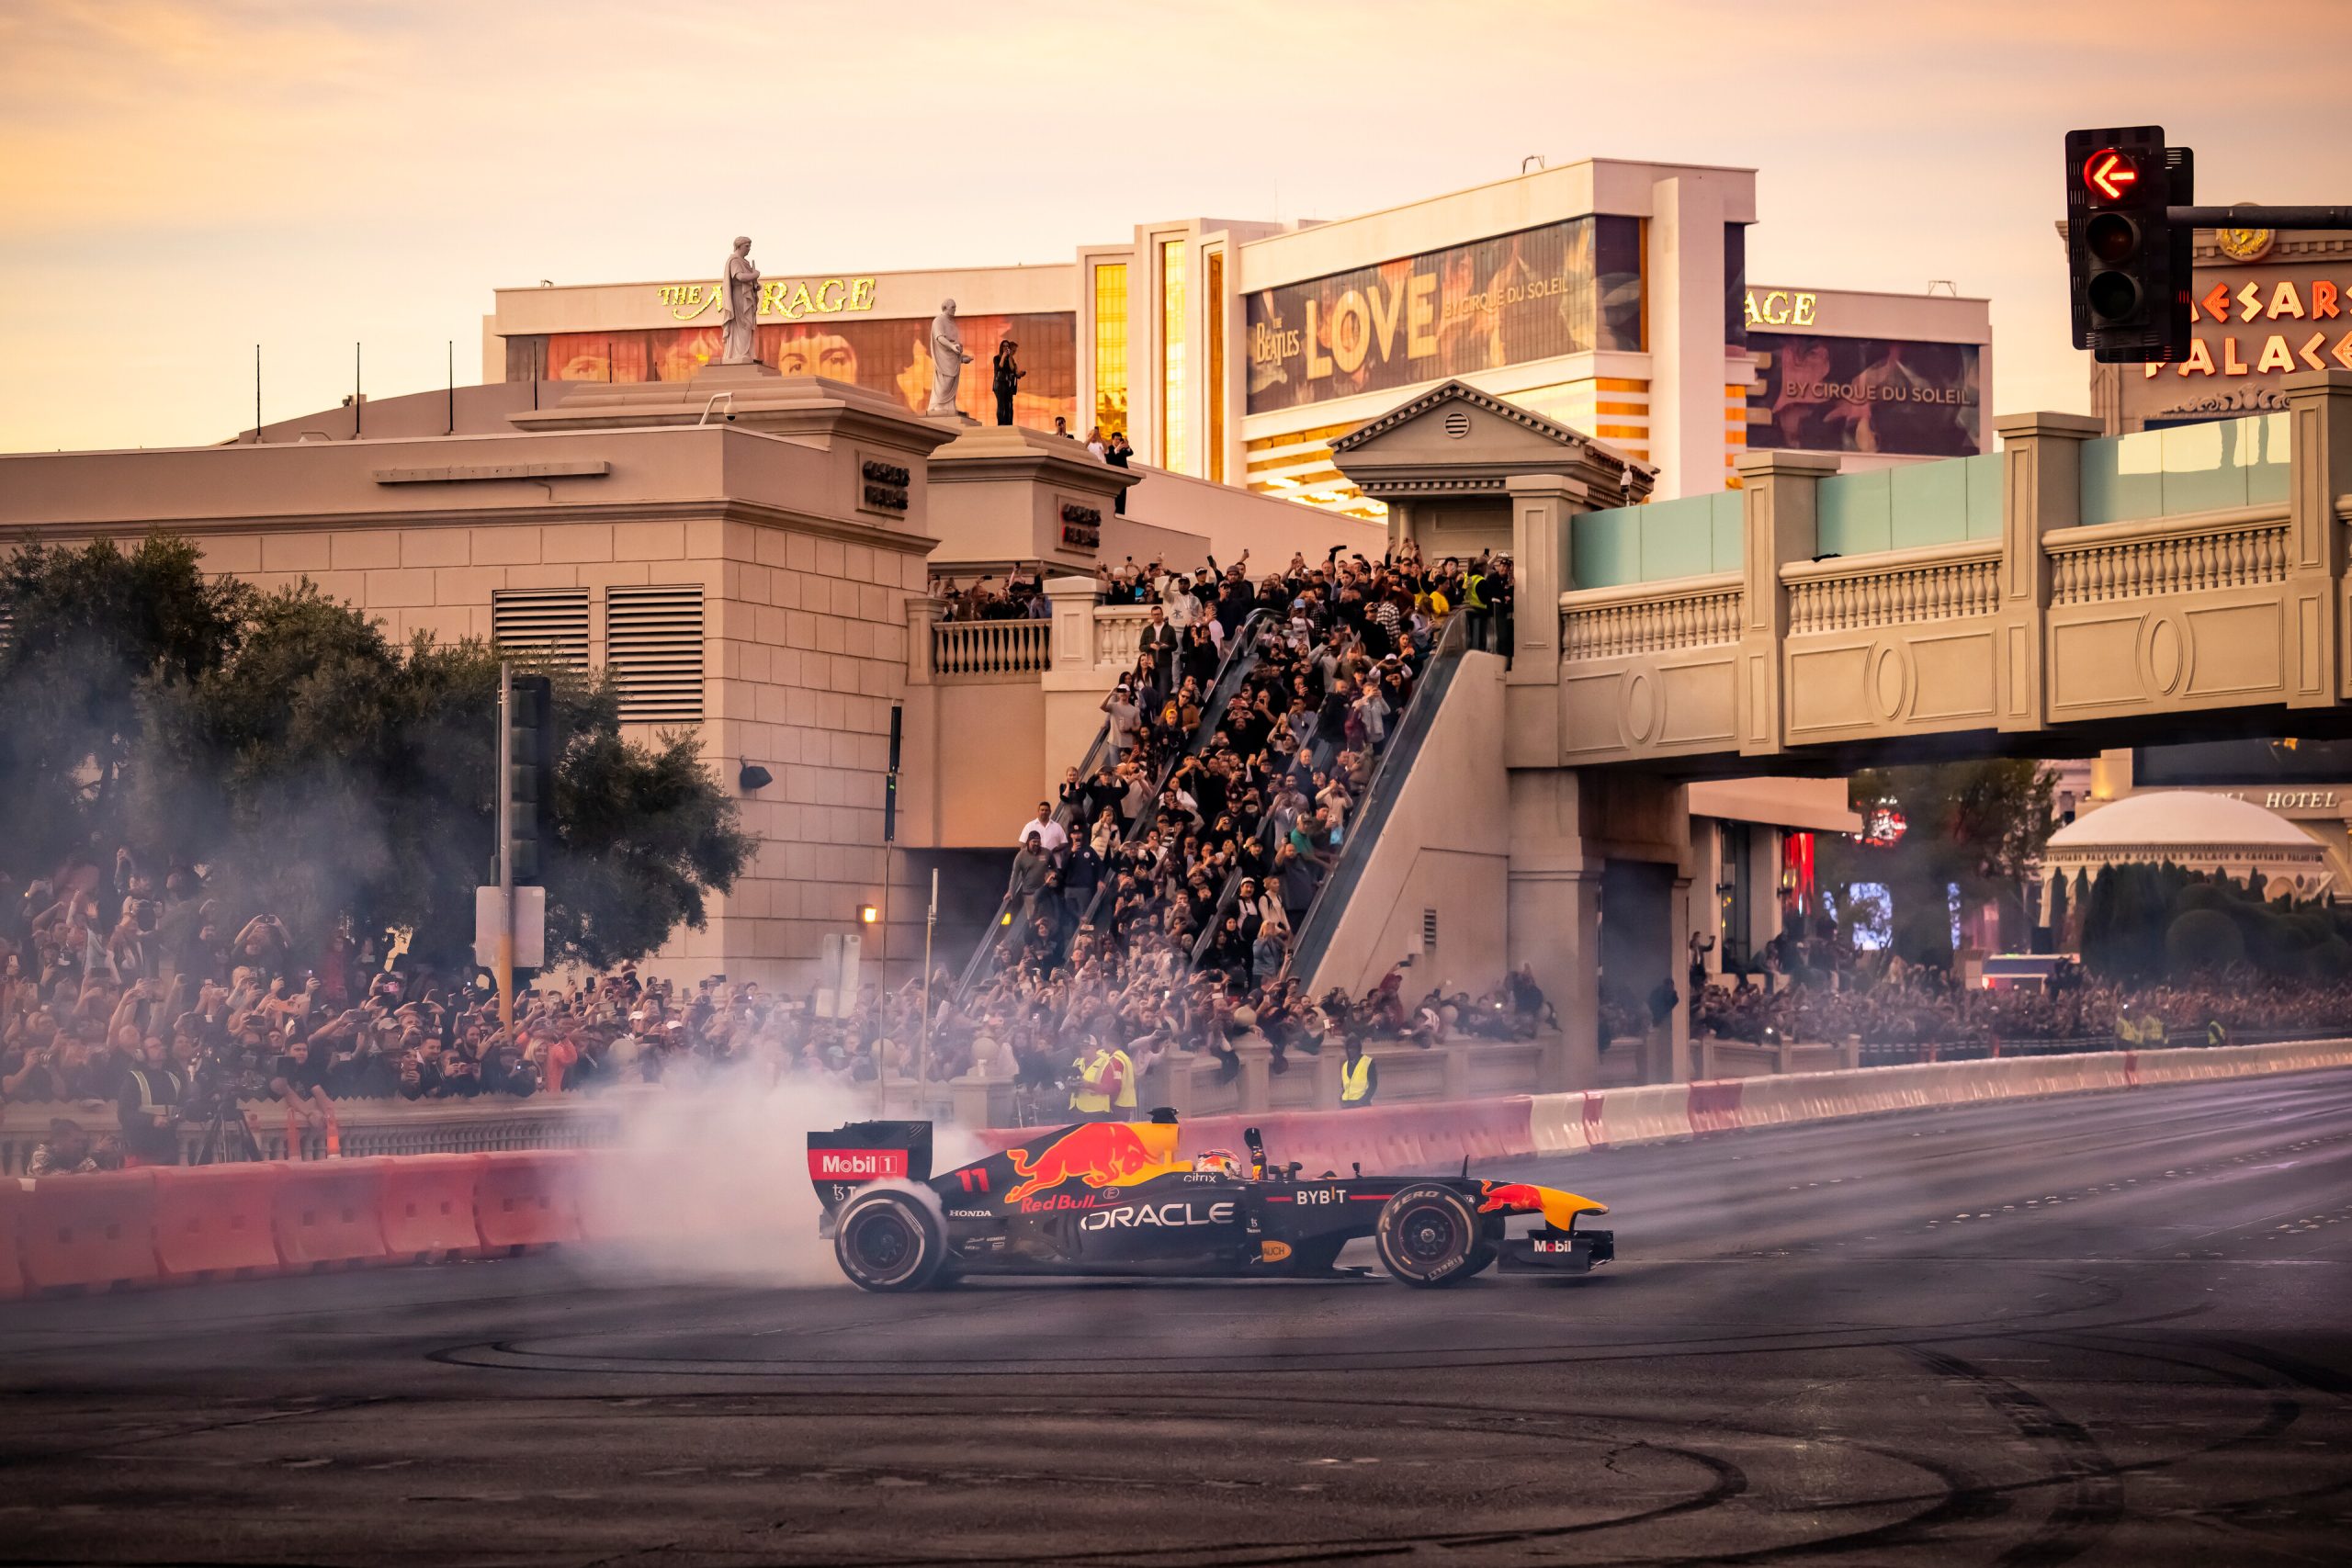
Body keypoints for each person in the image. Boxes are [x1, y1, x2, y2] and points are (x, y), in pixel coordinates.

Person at [118, 1033, 187, 1167]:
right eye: (155, 1047)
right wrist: (152, 1120)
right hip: (142, 1150)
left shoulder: (173, 1078)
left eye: (161, 1045)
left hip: (169, 1149)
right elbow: (124, 1114)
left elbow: (181, 1104)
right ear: (142, 1054)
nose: (161, 1049)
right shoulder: (133, 1079)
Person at [991, 339, 1023, 427]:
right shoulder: (997, 358)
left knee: (1009, 405)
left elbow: (1013, 370)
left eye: (1007, 346)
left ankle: (1009, 423)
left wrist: (1009, 358)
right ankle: (1001, 423)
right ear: (1001, 347)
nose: (1006, 348)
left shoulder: (1010, 360)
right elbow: (999, 368)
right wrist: (1003, 356)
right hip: (1000, 384)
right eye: (1004, 346)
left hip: (1008, 385)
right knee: (1001, 404)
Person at [1338, 1034, 1377, 1108]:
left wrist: (1363, 1101)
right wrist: (1341, 1100)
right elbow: (1344, 1087)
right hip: (1346, 1105)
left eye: (1354, 1048)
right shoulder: (1345, 1065)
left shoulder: (1368, 1062)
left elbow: (1373, 1085)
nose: (1351, 1050)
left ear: (1359, 1049)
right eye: (1349, 1048)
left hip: (1362, 1105)